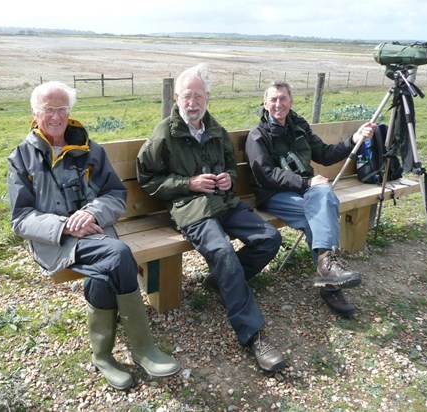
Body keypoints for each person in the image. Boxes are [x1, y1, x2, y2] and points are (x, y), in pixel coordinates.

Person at [7, 81, 181, 391]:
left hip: (98, 231)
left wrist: (93, 212)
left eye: (62, 109)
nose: (56, 116)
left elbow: (115, 193)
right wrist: (64, 225)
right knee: (118, 255)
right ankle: (142, 348)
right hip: (56, 242)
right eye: (49, 109)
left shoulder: (89, 149)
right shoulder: (22, 158)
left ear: (69, 112)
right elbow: (21, 219)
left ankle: (102, 356)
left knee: (103, 272)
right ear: (35, 114)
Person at [136, 64, 285, 372]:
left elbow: (230, 166)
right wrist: (188, 184)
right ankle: (253, 335)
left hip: (224, 202)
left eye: (199, 96)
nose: (193, 103)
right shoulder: (165, 132)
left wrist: (229, 179)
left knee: (270, 238)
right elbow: (147, 177)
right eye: (187, 96)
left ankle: (221, 282)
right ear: (177, 97)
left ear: (208, 99)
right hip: (191, 209)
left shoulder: (215, 130)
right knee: (223, 252)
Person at [244, 80, 376, 318]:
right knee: (322, 204)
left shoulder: (299, 127)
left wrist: (354, 140)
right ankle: (330, 279)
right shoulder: (258, 136)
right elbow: (266, 175)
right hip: (274, 194)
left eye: (283, 98)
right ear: (265, 103)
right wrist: (307, 182)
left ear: (291, 101)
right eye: (273, 99)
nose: (278, 104)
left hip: (306, 191)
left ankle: (327, 271)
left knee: (321, 203)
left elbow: (324, 155)